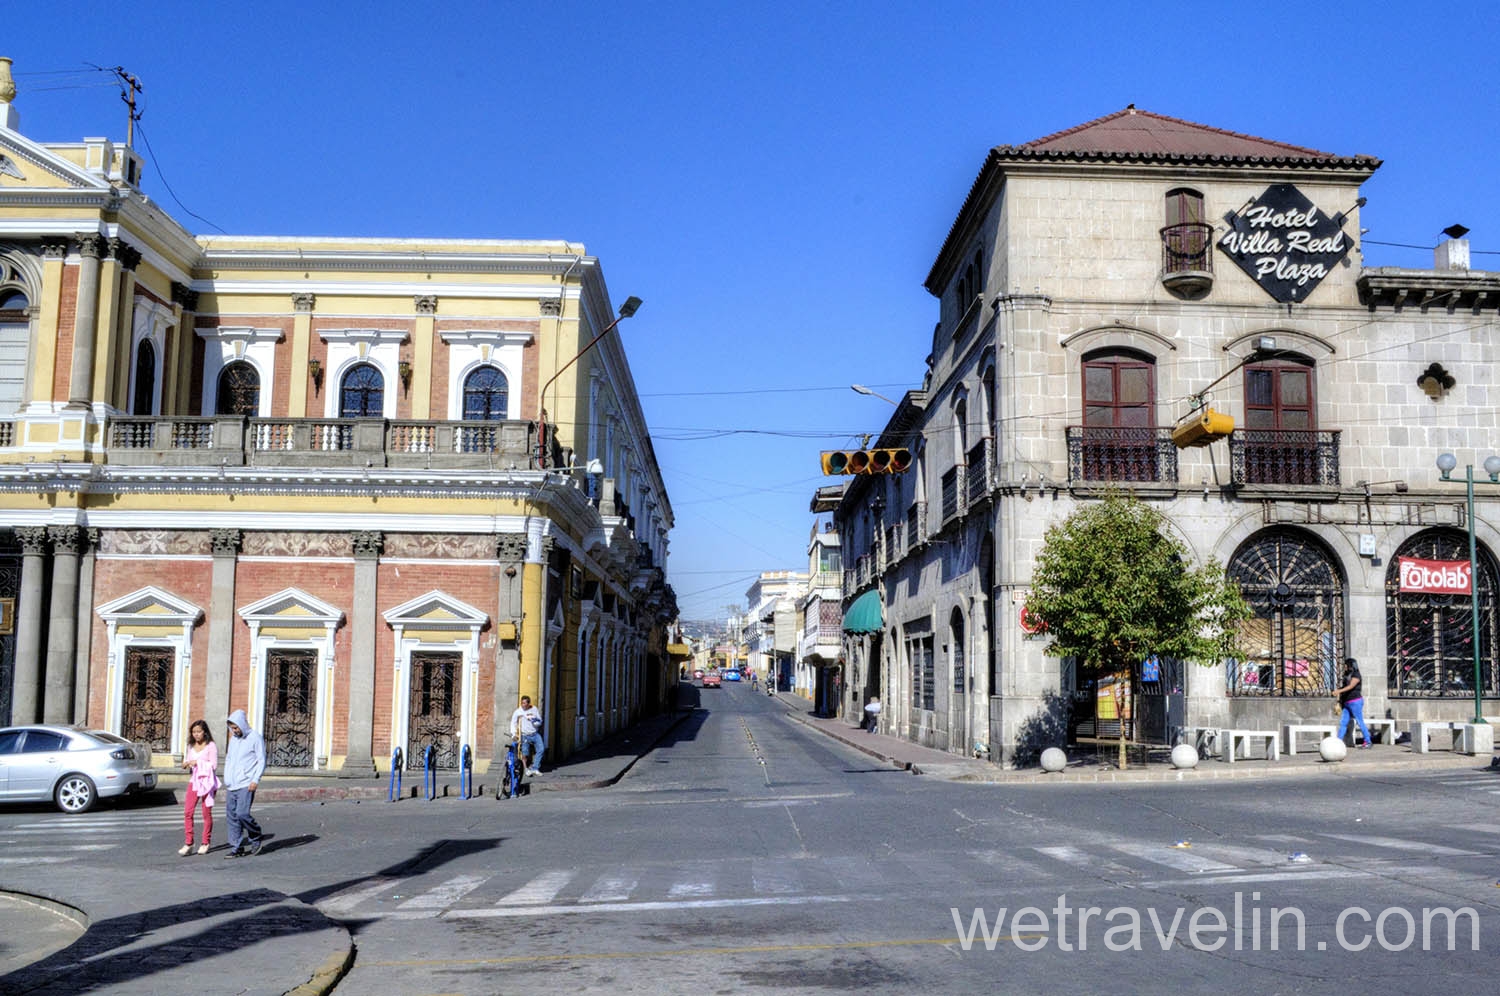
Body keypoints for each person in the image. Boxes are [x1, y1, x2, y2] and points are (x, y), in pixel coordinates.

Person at [223, 709, 267, 858]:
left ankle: (256, 836)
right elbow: (229, 759)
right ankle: (237, 847)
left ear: (242, 724)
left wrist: (256, 779)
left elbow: (261, 760)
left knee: (242, 813)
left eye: (236, 727)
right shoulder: (233, 740)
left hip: (246, 783)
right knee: (232, 817)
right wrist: (227, 777)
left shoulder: (255, 738)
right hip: (232, 784)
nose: (234, 731)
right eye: (232, 728)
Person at [179, 719, 218, 856]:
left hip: (207, 782)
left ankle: (205, 841)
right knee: (188, 812)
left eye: (199, 732)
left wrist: (198, 762)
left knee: (206, 812)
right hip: (194, 781)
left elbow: (213, 765)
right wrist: (186, 764)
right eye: (194, 732)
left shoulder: (211, 746)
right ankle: (189, 842)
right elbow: (189, 762)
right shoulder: (190, 746)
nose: (196, 734)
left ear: (205, 732)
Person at [1333, 658, 1372, 748]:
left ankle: (1368, 741)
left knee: (1359, 721)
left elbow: (1351, 686)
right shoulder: (1347, 675)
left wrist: (1338, 691)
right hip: (1346, 703)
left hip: (1355, 701)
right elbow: (1343, 687)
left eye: (1346, 665)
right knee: (1343, 722)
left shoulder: (1356, 675)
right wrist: (1339, 701)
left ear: (1351, 665)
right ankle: (1338, 742)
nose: (1345, 667)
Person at [509, 695, 545, 776]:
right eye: (522, 703)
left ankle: (535, 768)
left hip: (535, 734)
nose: (523, 705)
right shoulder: (518, 711)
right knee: (525, 753)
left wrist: (535, 722)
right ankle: (525, 769)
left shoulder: (534, 709)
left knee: (541, 749)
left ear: (529, 704)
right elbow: (513, 723)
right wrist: (514, 734)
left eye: (525, 703)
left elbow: (540, 720)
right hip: (524, 735)